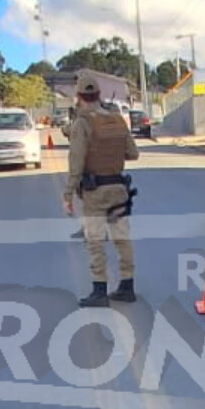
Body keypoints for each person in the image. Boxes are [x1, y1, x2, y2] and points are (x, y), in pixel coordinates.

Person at [64, 74, 139, 305]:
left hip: (95, 192)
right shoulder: (117, 120)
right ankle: (127, 286)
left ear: (79, 97)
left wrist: (68, 194)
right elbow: (133, 154)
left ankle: (99, 291)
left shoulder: (83, 122)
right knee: (122, 238)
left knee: (95, 240)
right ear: (99, 94)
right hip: (118, 188)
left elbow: (76, 163)